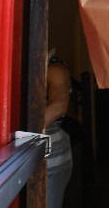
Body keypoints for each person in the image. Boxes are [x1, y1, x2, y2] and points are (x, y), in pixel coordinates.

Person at [45, 49, 73, 208]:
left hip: (51, 151)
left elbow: (58, 107)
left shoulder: (55, 69)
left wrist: (17, 135)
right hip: (25, 147)